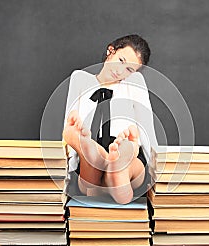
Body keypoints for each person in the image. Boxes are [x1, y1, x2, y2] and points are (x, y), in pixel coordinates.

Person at [63, 34, 158, 204]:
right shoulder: (80, 79)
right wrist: (66, 175)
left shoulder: (134, 82)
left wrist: (158, 172)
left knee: (126, 146)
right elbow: (69, 121)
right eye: (121, 60)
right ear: (111, 51)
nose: (121, 71)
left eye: (129, 69)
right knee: (88, 149)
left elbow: (147, 129)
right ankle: (92, 152)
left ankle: (117, 167)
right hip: (91, 155)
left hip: (128, 152)